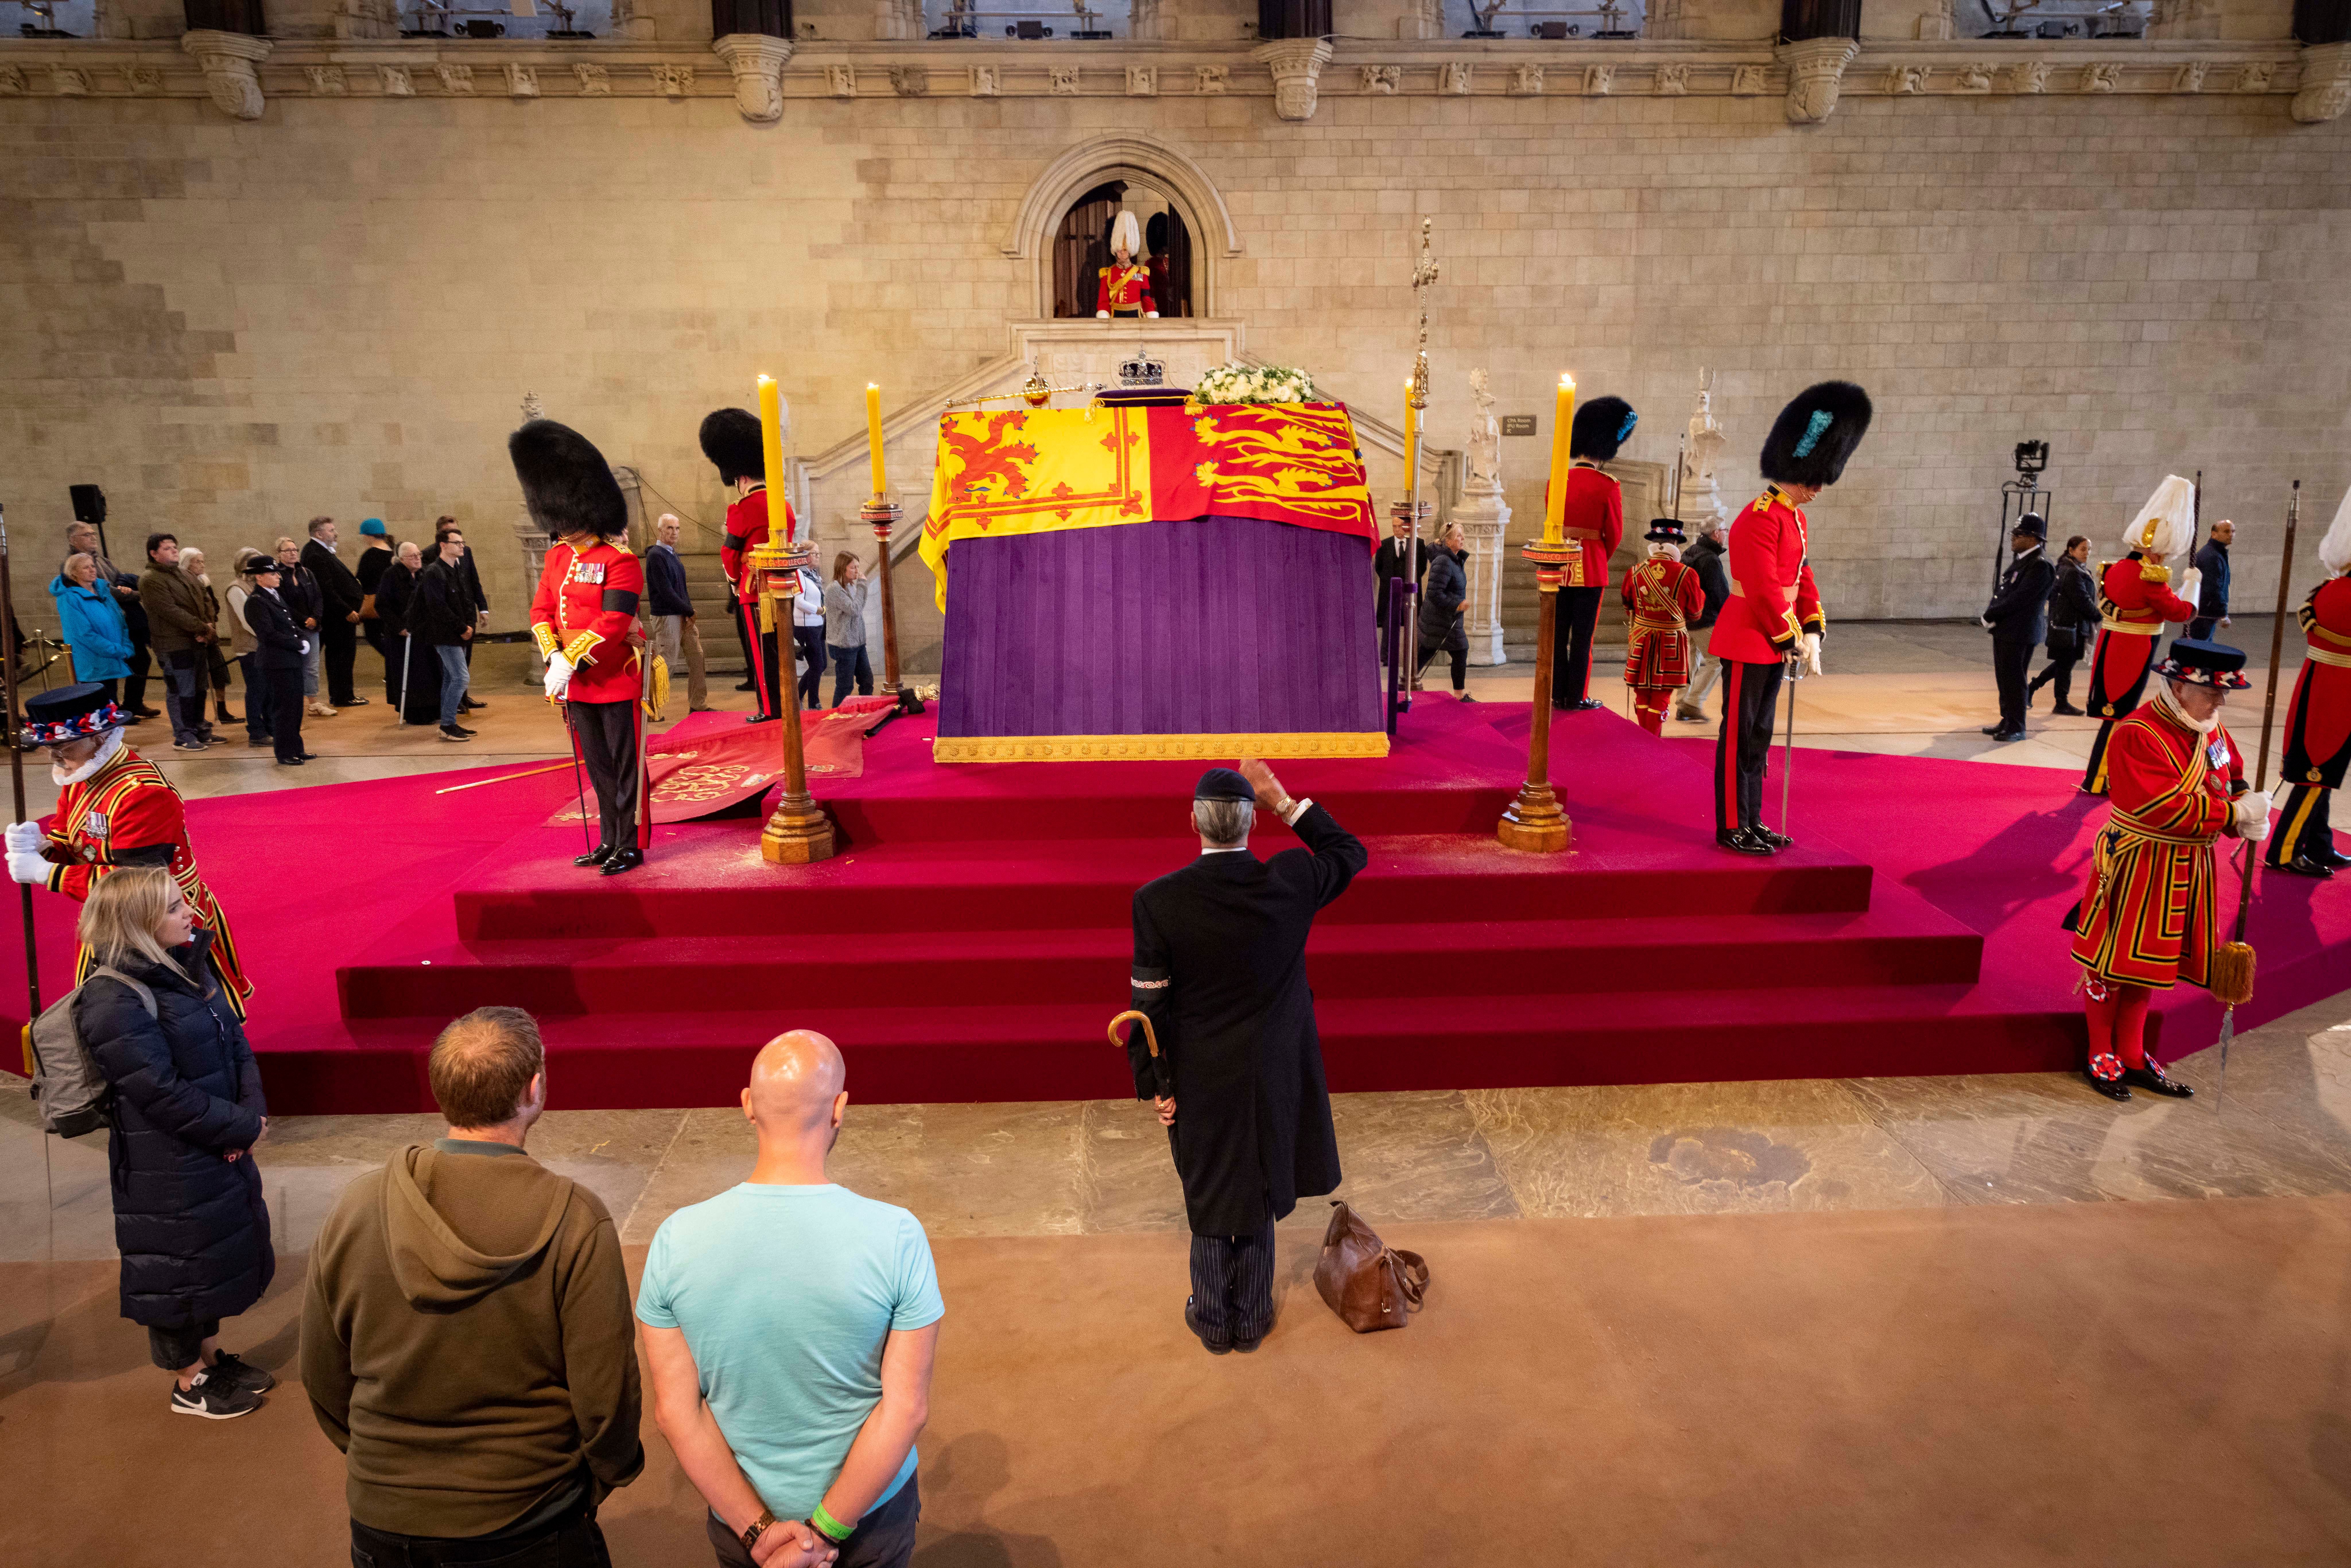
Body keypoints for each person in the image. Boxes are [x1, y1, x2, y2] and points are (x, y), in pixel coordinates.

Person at [301, 1007, 644, 1566]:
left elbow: (322, 1373)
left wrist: (389, 1472)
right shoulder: (576, 1219)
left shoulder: (356, 1206)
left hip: (384, 1520)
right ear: (533, 1088)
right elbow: (606, 1399)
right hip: (532, 1515)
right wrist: (606, 1474)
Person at [638, 1030, 938, 1568]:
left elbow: (676, 1412)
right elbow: (906, 1408)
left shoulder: (675, 1239)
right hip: (869, 1520)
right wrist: (822, 1534)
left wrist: (760, 1533)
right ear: (840, 1108)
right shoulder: (898, 1235)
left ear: (747, 1105)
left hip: (746, 1529)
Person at [1126, 761, 1366, 1354]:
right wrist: (1282, 799)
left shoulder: (1158, 900)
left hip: (1200, 1071)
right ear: (1252, 822)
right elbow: (1349, 851)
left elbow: (1148, 1006)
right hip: (1274, 1069)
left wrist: (1157, 1084)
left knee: (1210, 1182)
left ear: (1193, 823)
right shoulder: (1291, 880)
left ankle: (1213, 1318)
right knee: (1259, 1178)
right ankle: (1254, 1313)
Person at [73, 868, 274, 1419]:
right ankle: (188, 1381)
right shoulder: (112, 1000)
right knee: (177, 1268)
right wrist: (238, 1127)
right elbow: (160, 1093)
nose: (190, 910)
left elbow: (235, 1041)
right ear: (137, 924)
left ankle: (210, 1358)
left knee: (210, 1258)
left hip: (212, 1144)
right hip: (167, 1163)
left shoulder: (186, 966)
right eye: (172, 907)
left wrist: (248, 1116)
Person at [2064, 639, 2269, 1101]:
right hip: (2139, 861)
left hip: (2189, 863)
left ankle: (2132, 1053)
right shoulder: (2137, 732)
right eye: (2213, 692)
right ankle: (2100, 1051)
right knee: (2112, 962)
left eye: (2224, 692)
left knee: (2152, 963)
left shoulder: (2211, 729)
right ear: (2179, 687)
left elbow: (2228, 779)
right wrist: (2234, 814)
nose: (2221, 701)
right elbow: (2160, 807)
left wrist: (2246, 812)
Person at [7, 681, 254, 1006]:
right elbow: (71, 840)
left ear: (98, 737)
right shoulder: (81, 774)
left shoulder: (143, 793)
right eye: (48, 746)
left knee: (177, 1011)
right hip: (114, 916)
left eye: (63, 745)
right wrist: (43, 849)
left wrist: (46, 873)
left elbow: (136, 883)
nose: (54, 755)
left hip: (159, 921)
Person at [1709, 381, 1872, 856]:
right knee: (1739, 737)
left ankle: (1753, 818)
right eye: (1814, 480)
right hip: (1750, 637)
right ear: (1796, 471)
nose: (1818, 490)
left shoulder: (1794, 518)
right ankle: (1731, 824)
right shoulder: (1760, 516)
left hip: (1773, 640)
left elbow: (1802, 576)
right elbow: (1762, 588)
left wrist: (1813, 630)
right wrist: (1788, 636)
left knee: (1759, 737)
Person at [524, 419, 649, 876]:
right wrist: (553, 657)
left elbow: (613, 623)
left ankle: (631, 844)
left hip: (614, 680)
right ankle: (608, 839)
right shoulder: (557, 557)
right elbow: (541, 611)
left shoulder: (620, 561)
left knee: (625, 767)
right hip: (576, 683)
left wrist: (572, 660)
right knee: (597, 767)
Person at [2079, 476, 2202, 796]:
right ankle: (2098, 779)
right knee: (2119, 716)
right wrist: (2193, 586)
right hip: (2132, 650)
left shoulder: (2115, 569)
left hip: (2113, 645)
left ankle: (2102, 776)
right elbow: (2181, 613)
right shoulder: (2149, 578)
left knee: (2115, 715)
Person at [2267, 488, 2351, 879]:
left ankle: (2319, 842)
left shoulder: (2327, 589)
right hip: (2338, 694)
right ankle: (2284, 852)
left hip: (2318, 683)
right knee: (2316, 774)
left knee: (2323, 774)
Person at [703, 408, 798, 723]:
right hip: (784, 588)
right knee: (782, 651)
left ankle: (770, 708)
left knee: (760, 654)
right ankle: (790, 704)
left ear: (742, 478)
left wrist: (734, 582)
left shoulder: (741, 508)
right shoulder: (784, 506)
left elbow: (729, 553)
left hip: (754, 589)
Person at [1550, 395, 1634, 711]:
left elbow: (1552, 523)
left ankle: (1557, 693)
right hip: (1591, 569)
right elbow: (1614, 534)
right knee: (1583, 639)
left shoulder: (1558, 480)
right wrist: (1597, 556)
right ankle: (1577, 696)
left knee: (1558, 636)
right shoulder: (1608, 485)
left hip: (1558, 567)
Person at [1621, 517, 1705, 736]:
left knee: (1642, 692)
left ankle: (1643, 738)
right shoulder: (1687, 574)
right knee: (1662, 694)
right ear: (1676, 544)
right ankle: (1652, 742)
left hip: (1641, 637)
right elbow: (1695, 613)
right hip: (1671, 642)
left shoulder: (1634, 572)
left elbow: (1628, 607)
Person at [68, 519, 158, 719]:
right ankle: (114, 712)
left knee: (141, 660)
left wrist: (127, 589)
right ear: (74, 540)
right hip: (102, 625)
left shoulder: (102, 561)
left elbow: (118, 580)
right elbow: (109, 591)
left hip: (120, 621)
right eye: (87, 535)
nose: (93, 538)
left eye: (93, 534)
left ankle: (133, 704)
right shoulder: (73, 564)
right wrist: (135, 594)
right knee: (110, 668)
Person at [137, 531, 218, 752]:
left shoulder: (185, 574)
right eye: (167, 548)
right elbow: (171, 612)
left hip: (197, 642)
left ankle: (199, 729)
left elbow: (207, 600)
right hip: (174, 645)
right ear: (154, 554)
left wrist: (208, 627)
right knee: (183, 691)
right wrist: (203, 629)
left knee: (199, 689)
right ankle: (183, 736)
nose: (174, 551)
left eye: (175, 547)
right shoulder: (150, 579)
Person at [1980, 513, 2056, 743]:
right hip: (2007, 629)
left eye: (2019, 534)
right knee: (2004, 678)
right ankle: (2008, 719)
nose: (2013, 538)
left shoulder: (2040, 565)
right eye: (2014, 533)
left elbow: (2021, 599)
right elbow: (2004, 592)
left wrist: (1992, 614)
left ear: (2034, 538)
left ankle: (2017, 726)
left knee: (2015, 680)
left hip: (2020, 631)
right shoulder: (2024, 560)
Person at [243, 555, 313, 766]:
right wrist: (298, 644)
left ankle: (297, 749)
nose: (278, 577)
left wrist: (302, 638)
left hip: (290, 660)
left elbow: (291, 623)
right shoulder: (256, 602)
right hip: (277, 663)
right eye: (273, 574)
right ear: (259, 577)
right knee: (284, 709)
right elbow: (268, 634)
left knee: (296, 707)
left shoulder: (274, 595)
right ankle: (285, 753)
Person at [415, 527, 479, 742]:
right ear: (443, 545)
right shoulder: (435, 572)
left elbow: (465, 599)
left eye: (462, 543)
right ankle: (447, 725)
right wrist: (462, 628)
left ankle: (448, 722)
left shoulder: (456, 568)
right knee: (461, 678)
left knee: (451, 678)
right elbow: (438, 607)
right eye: (457, 543)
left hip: (458, 632)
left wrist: (470, 624)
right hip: (445, 634)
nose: (462, 546)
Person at [647, 513, 713, 713]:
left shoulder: (672, 554)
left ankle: (698, 705)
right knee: (667, 664)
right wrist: (689, 610)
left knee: (697, 659)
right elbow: (666, 591)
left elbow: (681, 590)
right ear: (660, 530)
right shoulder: (656, 555)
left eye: (677, 529)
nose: (674, 532)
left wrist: (688, 613)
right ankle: (650, 709)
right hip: (667, 617)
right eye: (670, 528)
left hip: (682, 616)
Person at [51, 551, 135, 705]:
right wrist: (117, 650)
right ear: (74, 573)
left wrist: (126, 647)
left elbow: (120, 622)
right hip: (93, 663)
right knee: (98, 710)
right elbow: (85, 634)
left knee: (112, 705)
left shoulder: (103, 590)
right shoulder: (69, 598)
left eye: (93, 566)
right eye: (86, 568)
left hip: (111, 659)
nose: (92, 570)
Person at [303, 515, 369, 709]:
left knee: (343, 655)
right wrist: (347, 610)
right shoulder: (315, 554)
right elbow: (326, 589)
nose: (336, 533)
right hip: (336, 617)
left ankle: (343, 694)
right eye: (331, 530)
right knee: (341, 656)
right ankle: (343, 696)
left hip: (339, 615)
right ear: (319, 534)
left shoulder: (321, 552)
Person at [2027, 534, 2098, 717]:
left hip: (2070, 626)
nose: (2088, 553)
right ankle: (2061, 703)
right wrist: (2099, 615)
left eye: (2089, 549)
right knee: (2065, 666)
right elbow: (2082, 600)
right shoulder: (2071, 572)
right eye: (2083, 549)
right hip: (2069, 627)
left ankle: (2033, 688)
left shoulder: (2072, 569)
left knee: (2063, 664)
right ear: (2071, 550)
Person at [1673, 514, 1731, 724]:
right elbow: (1720, 594)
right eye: (1724, 531)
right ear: (1716, 534)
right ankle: (1693, 703)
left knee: (1690, 662)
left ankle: (1683, 704)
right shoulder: (1710, 560)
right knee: (1718, 661)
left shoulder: (1691, 552)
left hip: (1686, 618)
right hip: (1704, 620)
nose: (1726, 534)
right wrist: (1730, 617)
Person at [273, 534, 333, 719]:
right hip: (292, 628)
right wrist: (304, 619)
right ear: (279, 554)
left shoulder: (306, 573)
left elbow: (318, 597)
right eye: (288, 551)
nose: (293, 553)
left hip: (312, 627)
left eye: (295, 550)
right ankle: (293, 703)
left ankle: (313, 703)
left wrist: (315, 618)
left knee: (312, 666)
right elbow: (282, 603)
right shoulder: (277, 576)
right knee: (293, 666)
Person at [1415, 521, 1473, 700]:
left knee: (1427, 650)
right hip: (1441, 619)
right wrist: (1457, 605)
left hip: (1443, 619)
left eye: (1462, 535)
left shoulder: (1454, 559)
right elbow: (1434, 593)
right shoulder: (1444, 562)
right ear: (1448, 541)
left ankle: (1407, 683)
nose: (1463, 539)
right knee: (1461, 650)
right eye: (1459, 536)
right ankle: (1460, 695)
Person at [222, 551, 272, 748]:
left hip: (264, 645)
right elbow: (248, 621)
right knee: (256, 690)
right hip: (250, 647)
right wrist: (269, 635)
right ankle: (256, 732)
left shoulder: (257, 586)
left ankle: (270, 727)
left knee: (268, 690)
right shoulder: (236, 588)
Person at [448, 514, 493, 715]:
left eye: (460, 537)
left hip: (468, 616)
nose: (460, 543)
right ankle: (453, 702)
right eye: (453, 537)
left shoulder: (466, 552)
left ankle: (464, 697)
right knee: (454, 666)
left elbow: (474, 580)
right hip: (452, 619)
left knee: (466, 661)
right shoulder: (433, 556)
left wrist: (483, 608)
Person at [1372, 512, 1428, 666]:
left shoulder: (1418, 544)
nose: (1397, 529)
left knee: (1412, 623)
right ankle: (1386, 657)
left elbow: (1422, 567)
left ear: (1407, 527)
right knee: (1389, 623)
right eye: (1394, 526)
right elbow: (1380, 568)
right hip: (1391, 592)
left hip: (1410, 591)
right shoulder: (1384, 545)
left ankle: (1413, 656)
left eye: (1400, 526)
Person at [824, 553, 876, 709]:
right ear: (842, 568)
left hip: (858, 643)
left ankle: (865, 712)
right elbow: (855, 609)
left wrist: (860, 587)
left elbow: (859, 607)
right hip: (844, 645)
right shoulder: (834, 589)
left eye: (858, 567)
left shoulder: (852, 586)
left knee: (867, 681)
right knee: (845, 686)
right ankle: (836, 716)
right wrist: (862, 585)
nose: (858, 571)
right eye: (853, 568)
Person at [1094, 209, 1158, 319]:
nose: (1122, 253)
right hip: (1115, 316)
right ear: (1115, 251)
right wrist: (1104, 315)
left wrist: (1150, 313)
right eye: (1119, 250)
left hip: (1136, 317)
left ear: (1130, 251)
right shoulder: (1107, 274)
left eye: (1125, 250)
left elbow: (1146, 298)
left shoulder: (1141, 273)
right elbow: (1104, 300)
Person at [355, 517, 395, 669]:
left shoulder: (370, 555)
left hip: (373, 604)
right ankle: (394, 668)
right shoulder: (393, 553)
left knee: (373, 637)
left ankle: (396, 664)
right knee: (390, 638)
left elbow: (360, 581)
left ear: (369, 536)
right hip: (391, 604)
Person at [2188, 516, 2234, 642]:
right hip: (2205, 614)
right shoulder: (2212, 557)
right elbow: (2213, 588)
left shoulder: (2216, 554)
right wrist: (2223, 614)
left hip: (2206, 613)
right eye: (2226, 532)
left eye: (2233, 531)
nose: (2231, 535)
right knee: (2199, 647)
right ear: (2214, 534)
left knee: (2201, 646)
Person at [791, 563, 827, 711]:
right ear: (805, 556)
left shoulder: (815, 575)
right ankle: (814, 704)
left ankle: (798, 696)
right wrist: (818, 610)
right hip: (807, 626)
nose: (818, 557)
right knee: (817, 666)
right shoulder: (799, 574)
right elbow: (799, 602)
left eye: (818, 554)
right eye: (814, 554)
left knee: (822, 665)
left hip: (819, 624)